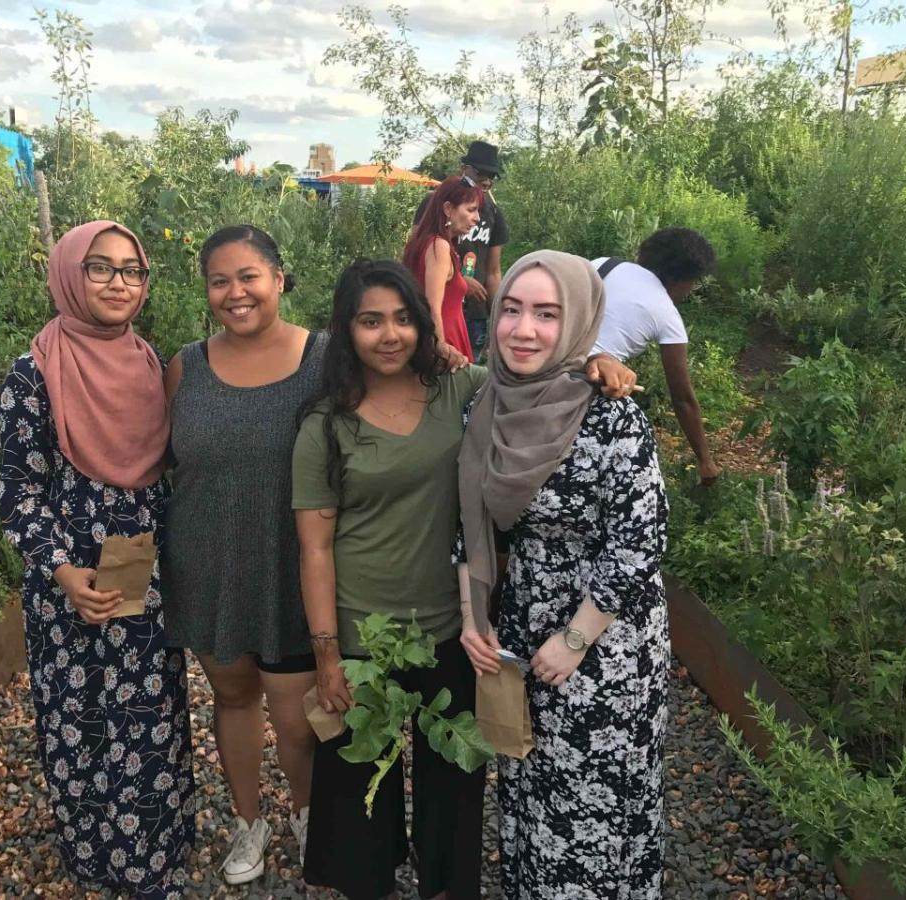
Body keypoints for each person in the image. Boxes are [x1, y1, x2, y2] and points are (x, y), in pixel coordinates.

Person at [457, 250, 670, 899]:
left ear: (577, 320)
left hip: (606, 640)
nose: (524, 329)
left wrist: (576, 638)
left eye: (547, 314)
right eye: (513, 310)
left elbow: (642, 538)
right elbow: (467, 524)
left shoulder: (611, 415)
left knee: (593, 797)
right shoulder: (485, 408)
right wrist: (473, 620)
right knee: (530, 781)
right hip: (523, 617)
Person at [0, 221, 193, 898]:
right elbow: (16, 492)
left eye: (132, 270)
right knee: (77, 716)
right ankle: (93, 857)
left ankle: (151, 857)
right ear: (69, 276)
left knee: (147, 715)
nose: (118, 283)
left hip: (142, 569)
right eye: (101, 269)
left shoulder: (146, 362)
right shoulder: (35, 372)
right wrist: (61, 570)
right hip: (67, 585)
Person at [293, 259, 489, 900]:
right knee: (359, 790)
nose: (389, 335)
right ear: (346, 330)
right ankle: (368, 883)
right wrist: (326, 655)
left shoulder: (456, 391)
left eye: (404, 319)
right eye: (371, 321)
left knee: (455, 780)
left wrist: (596, 364)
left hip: (446, 627)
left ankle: (444, 883)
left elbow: (533, 384)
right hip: (361, 635)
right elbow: (315, 549)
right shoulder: (326, 425)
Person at [161, 225, 323, 885]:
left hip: (293, 567)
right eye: (219, 280)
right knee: (231, 697)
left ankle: (311, 816)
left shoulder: (325, 357)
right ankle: (247, 821)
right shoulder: (186, 365)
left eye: (249, 276)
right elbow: (150, 456)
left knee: (296, 715)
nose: (235, 292)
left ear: (279, 278)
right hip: (207, 563)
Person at [593, 226, 721, 483]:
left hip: (542, 369)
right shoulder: (667, 314)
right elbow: (683, 398)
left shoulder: (604, 264)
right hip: (587, 391)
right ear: (681, 279)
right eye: (693, 283)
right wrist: (705, 461)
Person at [414, 140, 509, 360]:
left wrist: (498, 319)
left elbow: (494, 272)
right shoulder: (434, 205)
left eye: (492, 176)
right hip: (440, 313)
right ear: (464, 170)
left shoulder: (494, 213)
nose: (486, 180)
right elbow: (417, 256)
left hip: (474, 312)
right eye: (482, 173)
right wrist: (461, 280)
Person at [402, 175, 484, 368]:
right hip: (446, 342)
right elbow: (432, 306)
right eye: (471, 209)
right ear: (448, 209)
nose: (477, 218)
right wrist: (441, 347)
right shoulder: (439, 246)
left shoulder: (428, 243)